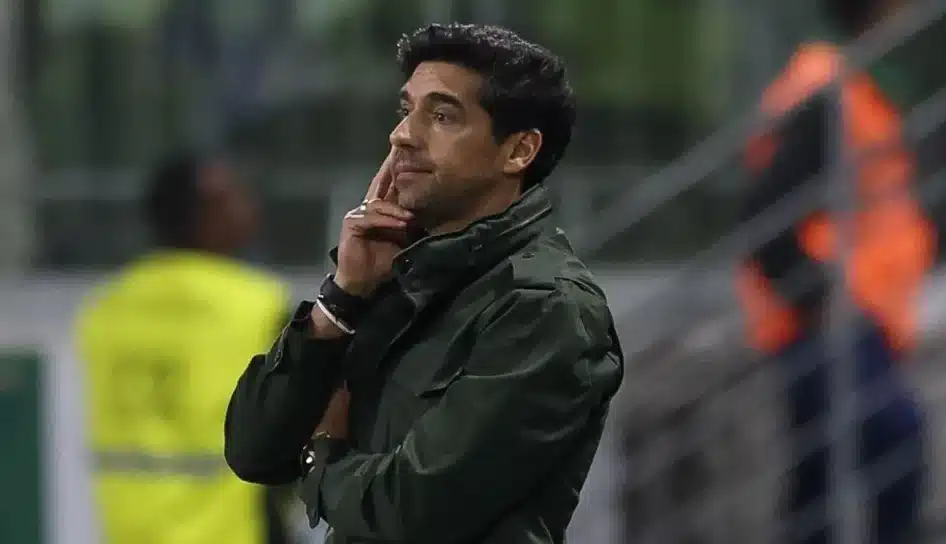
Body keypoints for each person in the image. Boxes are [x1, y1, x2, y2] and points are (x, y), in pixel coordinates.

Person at [224, 23, 624, 544]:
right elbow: (253, 451)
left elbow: (413, 513)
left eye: (441, 116)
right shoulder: (393, 278)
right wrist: (342, 299)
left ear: (519, 151)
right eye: (406, 110)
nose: (402, 135)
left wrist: (321, 458)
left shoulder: (545, 306)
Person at [737, 1, 935, 542]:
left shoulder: (849, 87)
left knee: (821, 481)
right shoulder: (830, 93)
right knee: (895, 436)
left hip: (841, 314)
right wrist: (822, 300)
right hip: (832, 318)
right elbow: (766, 214)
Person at [75, 153, 295, 544]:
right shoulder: (259, 305)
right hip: (233, 534)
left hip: (131, 534)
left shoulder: (106, 307)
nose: (250, 208)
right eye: (234, 198)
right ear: (205, 215)